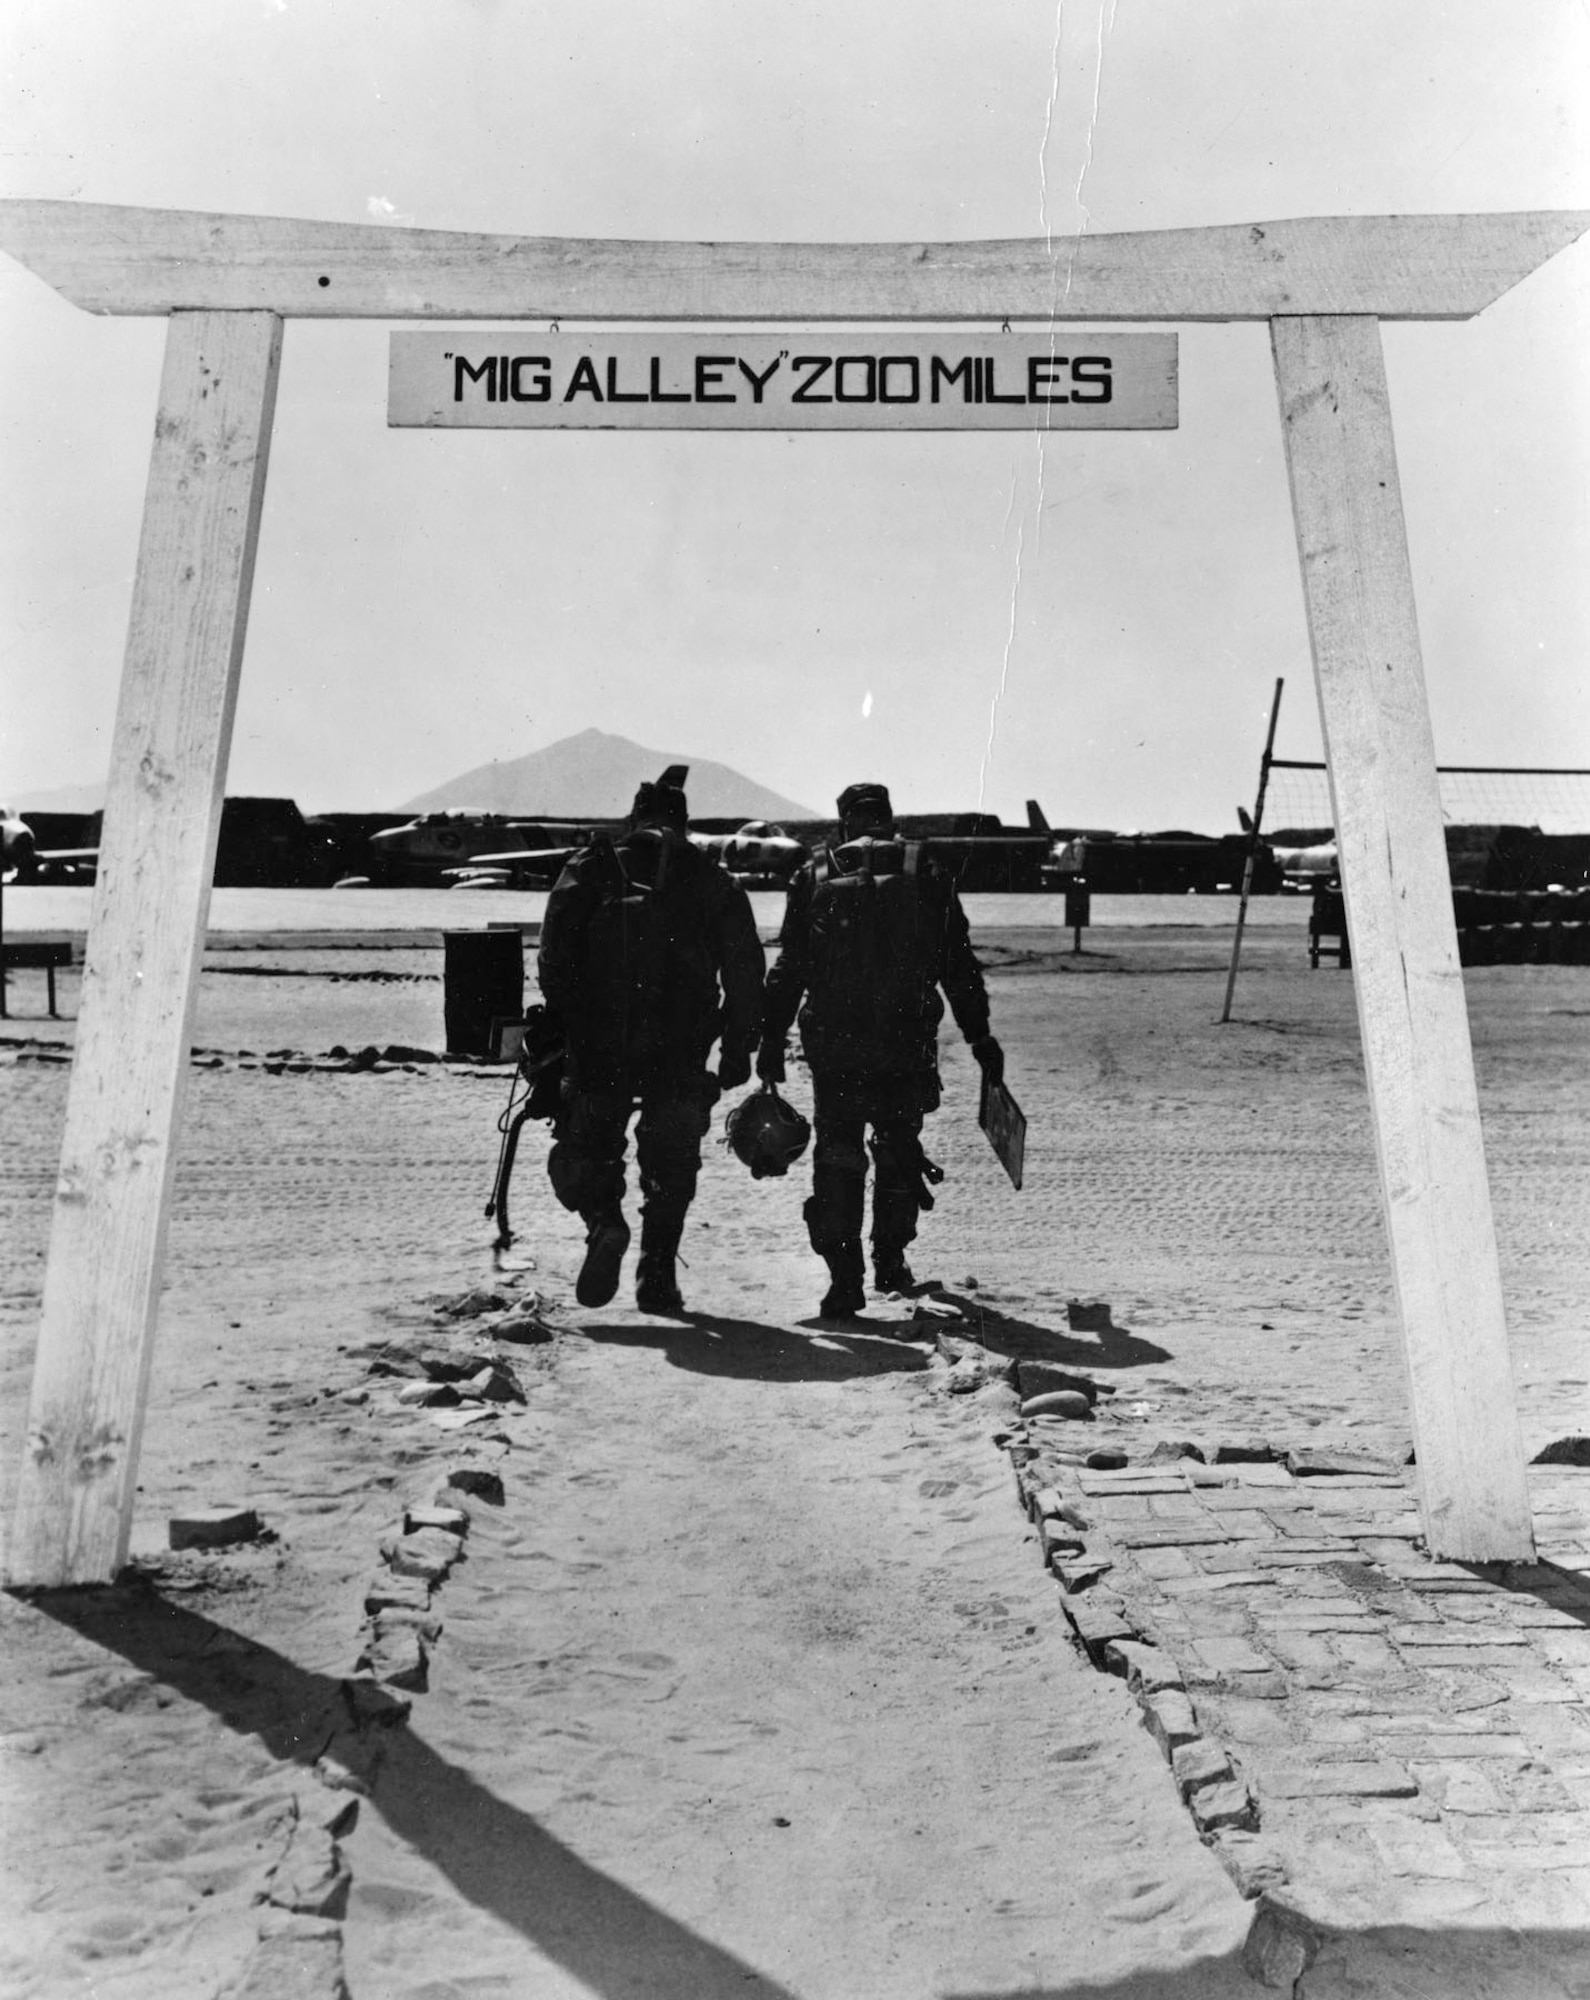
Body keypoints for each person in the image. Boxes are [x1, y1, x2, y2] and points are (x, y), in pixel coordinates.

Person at [757, 780, 1003, 1316]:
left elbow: (789, 969)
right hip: (904, 1044)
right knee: (897, 1152)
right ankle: (889, 1262)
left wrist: (770, 1041)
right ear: (888, 819)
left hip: (836, 1049)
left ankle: (844, 1279)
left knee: (838, 1154)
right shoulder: (925, 871)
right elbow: (956, 965)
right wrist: (979, 1036)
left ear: (844, 821)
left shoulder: (816, 874)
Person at [537, 774, 764, 1313]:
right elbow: (745, 971)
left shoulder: (589, 867)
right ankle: (657, 1273)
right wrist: (737, 1047)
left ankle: (604, 1223)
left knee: (587, 1148)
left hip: (599, 1048)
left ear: (634, 818)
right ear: (683, 822)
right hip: (681, 1050)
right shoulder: (711, 878)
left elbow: (552, 959)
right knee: (671, 1163)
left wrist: (569, 1029)